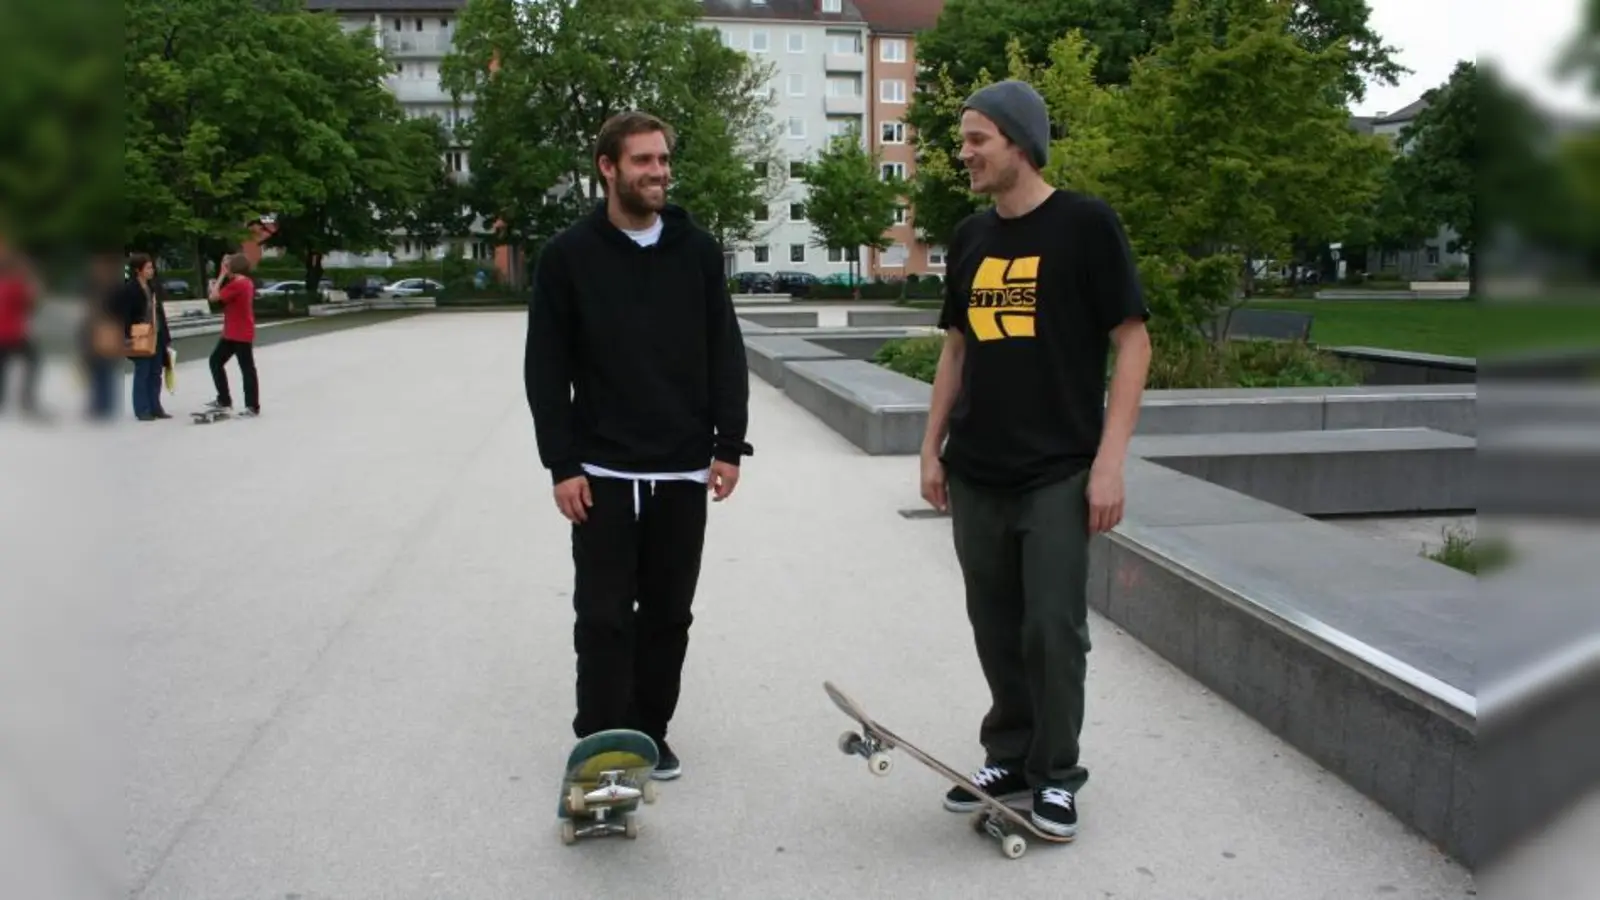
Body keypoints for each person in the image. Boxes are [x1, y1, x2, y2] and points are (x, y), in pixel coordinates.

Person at [918, 80, 1152, 839]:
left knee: (1052, 628)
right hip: (977, 468)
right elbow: (956, 346)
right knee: (995, 624)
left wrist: (1109, 462)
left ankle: (1056, 774)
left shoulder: (1085, 225)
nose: (966, 153)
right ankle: (1009, 756)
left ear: (1020, 141)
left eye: (978, 138)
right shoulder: (970, 237)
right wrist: (931, 447)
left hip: (1057, 469)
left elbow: (1133, 340)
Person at [525, 110, 751, 781]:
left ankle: (650, 730)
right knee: (601, 615)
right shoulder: (568, 256)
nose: (658, 172)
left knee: (668, 613)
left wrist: (728, 444)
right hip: (601, 467)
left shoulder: (698, 251)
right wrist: (561, 463)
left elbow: (725, 351)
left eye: (662, 159)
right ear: (608, 168)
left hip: (683, 467)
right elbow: (545, 367)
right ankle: (600, 738)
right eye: (643, 161)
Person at [116, 253, 171, 421]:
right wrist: (126, 336)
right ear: (137, 270)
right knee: (143, 372)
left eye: (151, 267)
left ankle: (156, 407)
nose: (152, 270)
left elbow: (160, 312)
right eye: (148, 267)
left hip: (157, 334)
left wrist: (166, 336)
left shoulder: (152, 287)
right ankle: (142, 409)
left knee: (156, 373)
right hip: (140, 336)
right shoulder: (130, 289)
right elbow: (124, 315)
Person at [203, 252, 259, 417]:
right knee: (219, 362)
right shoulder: (246, 282)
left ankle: (249, 405)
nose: (225, 267)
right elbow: (220, 297)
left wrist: (220, 276)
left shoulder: (237, 284)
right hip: (235, 331)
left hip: (238, 332)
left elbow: (213, 297)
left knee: (244, 368)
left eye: (227, 265)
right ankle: (227, 400)